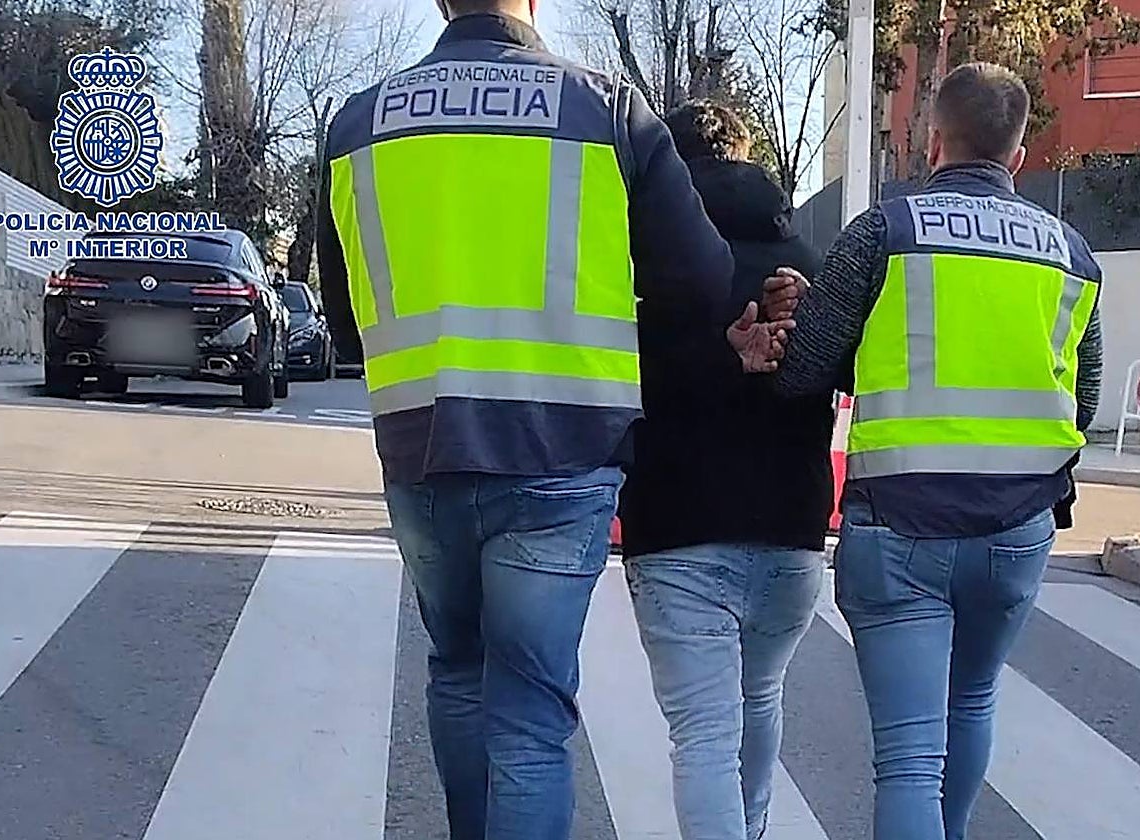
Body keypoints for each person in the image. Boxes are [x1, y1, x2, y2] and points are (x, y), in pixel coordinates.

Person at [312, 0, 777, 835]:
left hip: (423, 445)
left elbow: (345, 321)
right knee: (530, 712)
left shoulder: (358, 122)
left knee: (457, 669)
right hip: (563, 451)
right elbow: (703, 280)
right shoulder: (605, 108)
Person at [771, 62, 1104, 840]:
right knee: (973, 702)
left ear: (932, 142)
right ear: (1018, 155)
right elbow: (1081, 403)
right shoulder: (1072, 255)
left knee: (911, 757)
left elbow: (805, 375)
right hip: (1018, 529)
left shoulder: (885, 231)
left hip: (900, 525)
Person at [618, 100, 831, 840]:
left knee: (704, 736)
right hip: (791, 528)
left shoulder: (644, 259)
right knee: (760, 699)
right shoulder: (806, 266)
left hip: (677, 526)